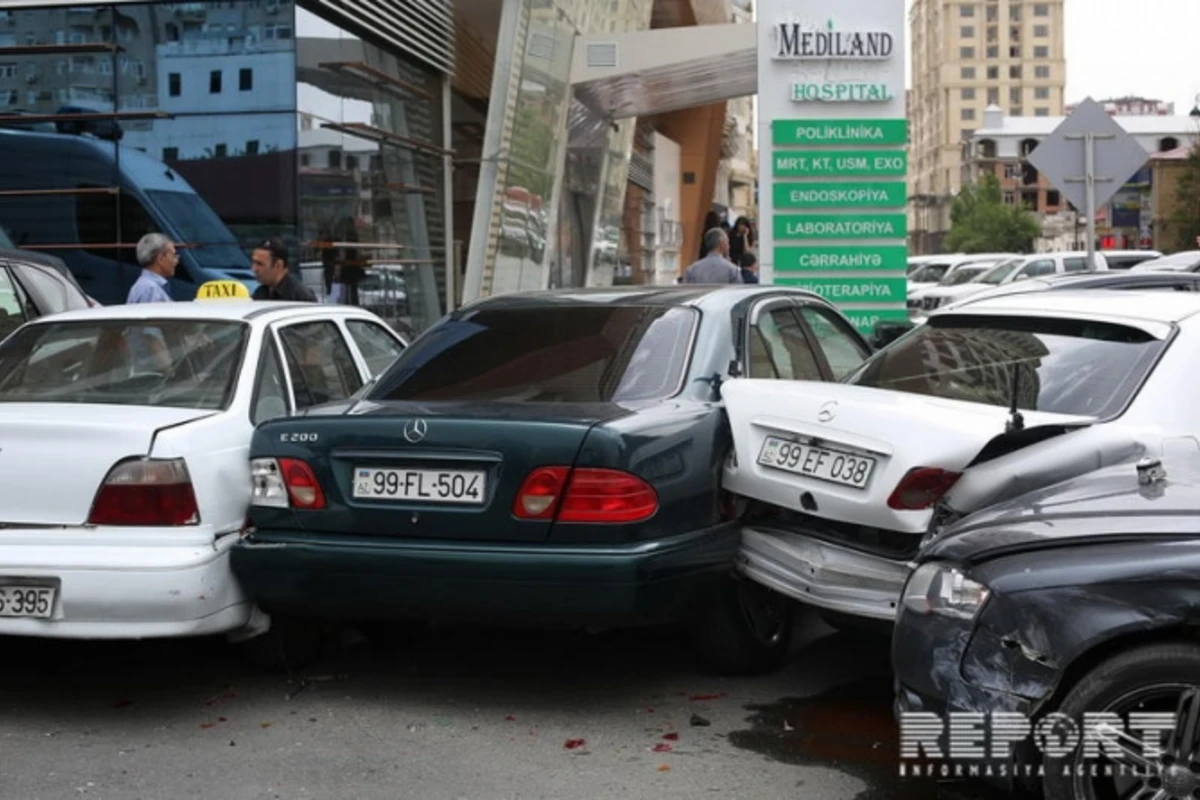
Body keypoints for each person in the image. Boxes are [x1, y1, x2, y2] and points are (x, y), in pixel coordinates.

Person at [251, 238, 317, 302]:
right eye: (253, 262)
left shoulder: (300, 297)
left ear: (278, 265)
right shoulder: (260, 293)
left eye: (259, 264)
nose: (254, 269)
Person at [126, 232, 178, 304]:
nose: (176, 261)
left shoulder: (147, 286)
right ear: (161, 259)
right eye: (173, 255)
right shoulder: (149, 289)